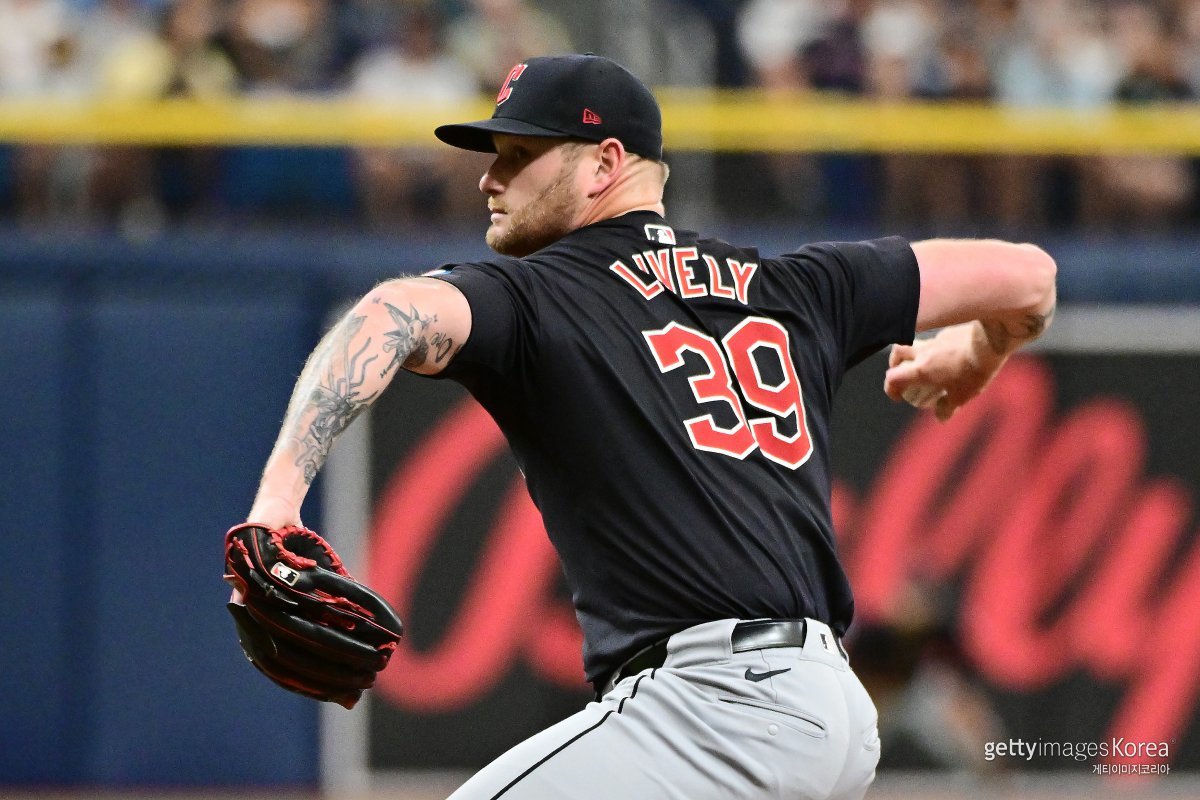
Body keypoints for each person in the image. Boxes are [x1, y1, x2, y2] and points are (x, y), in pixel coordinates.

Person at [240, 54, 1056, 800]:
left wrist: (277, 502)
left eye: (520, 153)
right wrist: (977, 354)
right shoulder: (794, 285)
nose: (491, 177)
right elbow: (1031, 279)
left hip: (712, 708)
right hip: (831, 712)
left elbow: (389, 313)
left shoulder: (542, 295)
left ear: (605, 163)